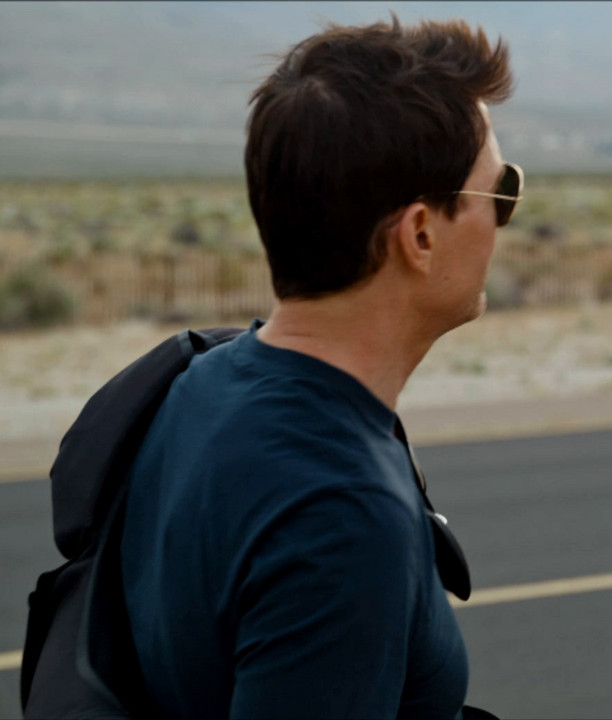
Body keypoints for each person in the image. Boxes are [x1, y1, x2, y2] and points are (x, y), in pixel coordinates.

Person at [118, 16, 519, 719]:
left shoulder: (198, 385)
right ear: (420, 235)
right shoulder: (339, 518)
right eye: (502, 191)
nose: (506, 218)